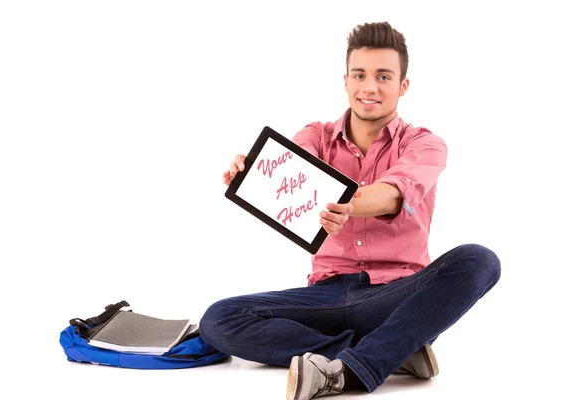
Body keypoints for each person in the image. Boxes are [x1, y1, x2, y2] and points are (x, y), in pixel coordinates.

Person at [199, 21, 501, 400]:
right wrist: (256, 173)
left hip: (398, 295)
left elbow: (394, 194)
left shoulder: (424, 144)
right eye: (360, 75)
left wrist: (349, 204)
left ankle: (360, 362)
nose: (369, 87)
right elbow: (293, 167)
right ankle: (391, 351)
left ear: (402, 86)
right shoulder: (317, 135)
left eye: (383, 76)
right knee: (219, 320)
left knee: (480, 260)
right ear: (346, 82)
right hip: (324, 295)